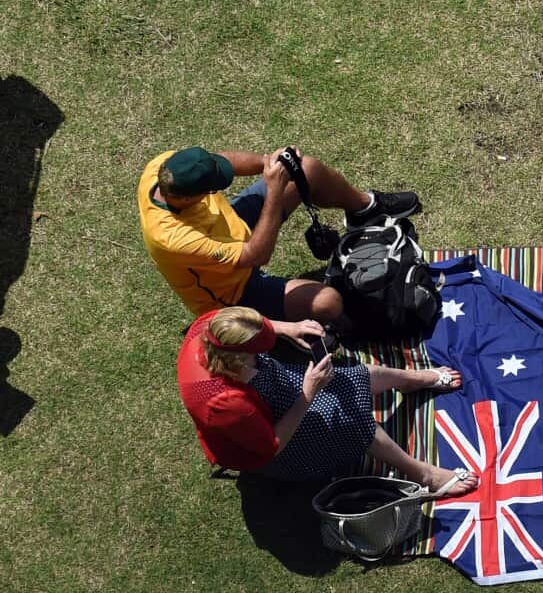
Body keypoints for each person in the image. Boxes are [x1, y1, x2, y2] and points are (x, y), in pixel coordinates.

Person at [177, 306, 478, 493]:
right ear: (241, 357)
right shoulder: (222, 402)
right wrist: (308, 392)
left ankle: (415, 381)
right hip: (271, 441)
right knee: (355, 422)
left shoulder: (211, 330)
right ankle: (424, 474)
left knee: (359, 375)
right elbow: (271, 446)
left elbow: (251, 322)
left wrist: (286, 328)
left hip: (274, 391)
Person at [138, 146, 419, 323]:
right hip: (233, 290)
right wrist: (274, 190)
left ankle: (365, 208)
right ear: (193, 199)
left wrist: (270, 163)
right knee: (328, 303)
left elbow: (223, 160)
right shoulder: (173, 237)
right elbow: (255, 255)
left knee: (305, 169)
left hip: (233, 226)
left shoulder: (165, 169)